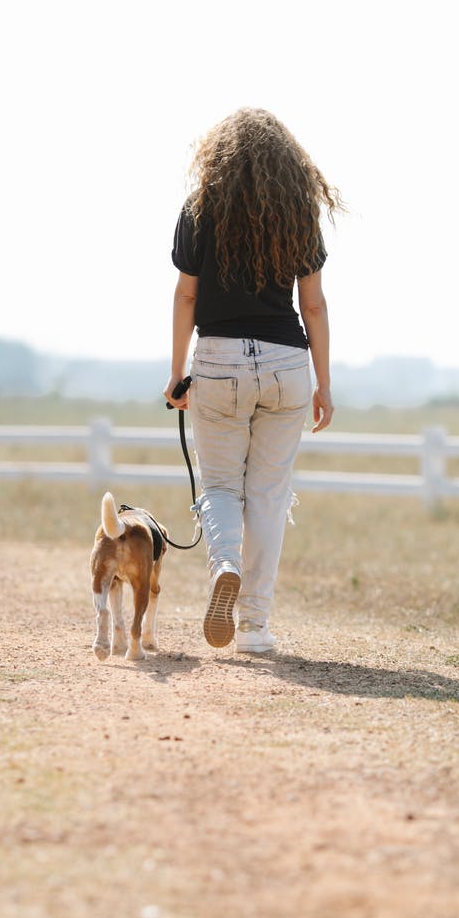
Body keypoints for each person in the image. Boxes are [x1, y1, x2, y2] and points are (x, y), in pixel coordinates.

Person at [164, 108, 343, 654]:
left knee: (221, 487)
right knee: (268, 495)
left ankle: (225, 566)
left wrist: (178, 375)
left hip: (218, 363)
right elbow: (312, 305)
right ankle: (256, 628)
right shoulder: (298, 214)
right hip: (288, 363)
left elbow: (187, 297)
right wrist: (324, 383)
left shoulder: (199, 209)